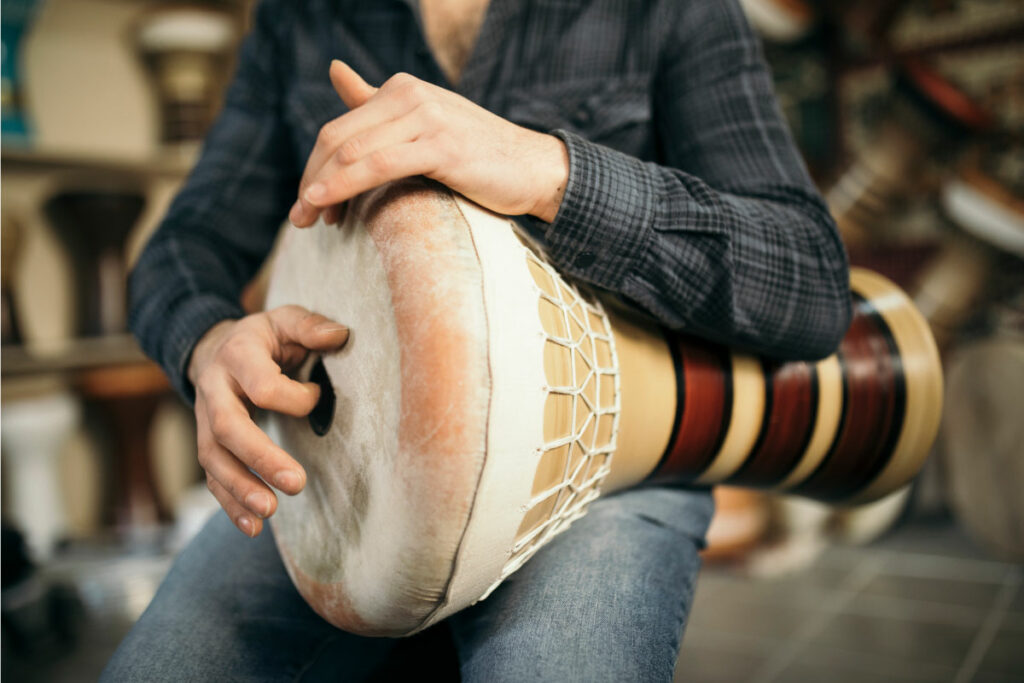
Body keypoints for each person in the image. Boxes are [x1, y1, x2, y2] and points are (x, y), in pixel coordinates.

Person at [104, 0, 851, 679]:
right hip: (346, 478)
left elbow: (808, 278)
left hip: (606, 469)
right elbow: (181, 249)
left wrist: (548, 171)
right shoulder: (299, 20)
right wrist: (209, 344)